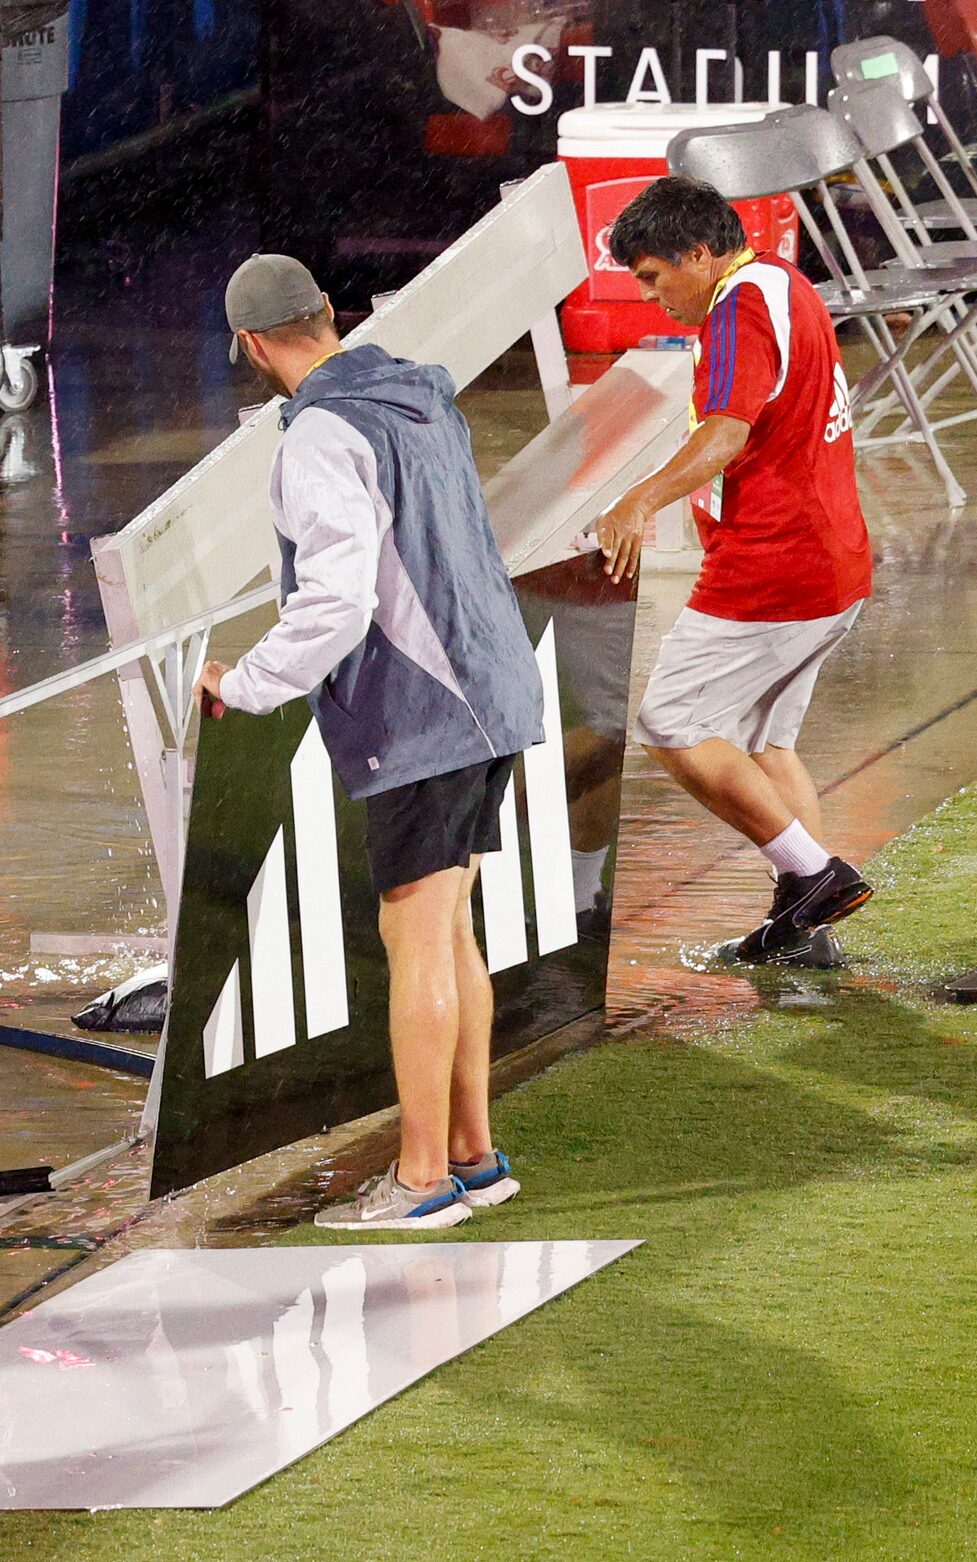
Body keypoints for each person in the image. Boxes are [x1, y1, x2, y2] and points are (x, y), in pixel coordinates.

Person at [196, 253, 547, 1231]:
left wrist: (248, 682)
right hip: (494, 687)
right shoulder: (419, 395)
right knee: (449, 929)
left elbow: (337, 603)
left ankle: (424, 1178)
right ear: (329, 316)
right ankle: (475, 1157)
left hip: (425, 715)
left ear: (257, 346)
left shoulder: (317, 436)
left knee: (418, 937)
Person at [592, 176, 873, 965]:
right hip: (830, 563)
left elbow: (722, 437)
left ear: (698, 252)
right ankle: (803, 933)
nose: (652, 297)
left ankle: (812, 876)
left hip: (773, 571)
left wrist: (634, 502)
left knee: (669, 722)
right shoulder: (782, 281)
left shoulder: (737, 307)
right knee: (763, 744)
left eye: (653, 277)